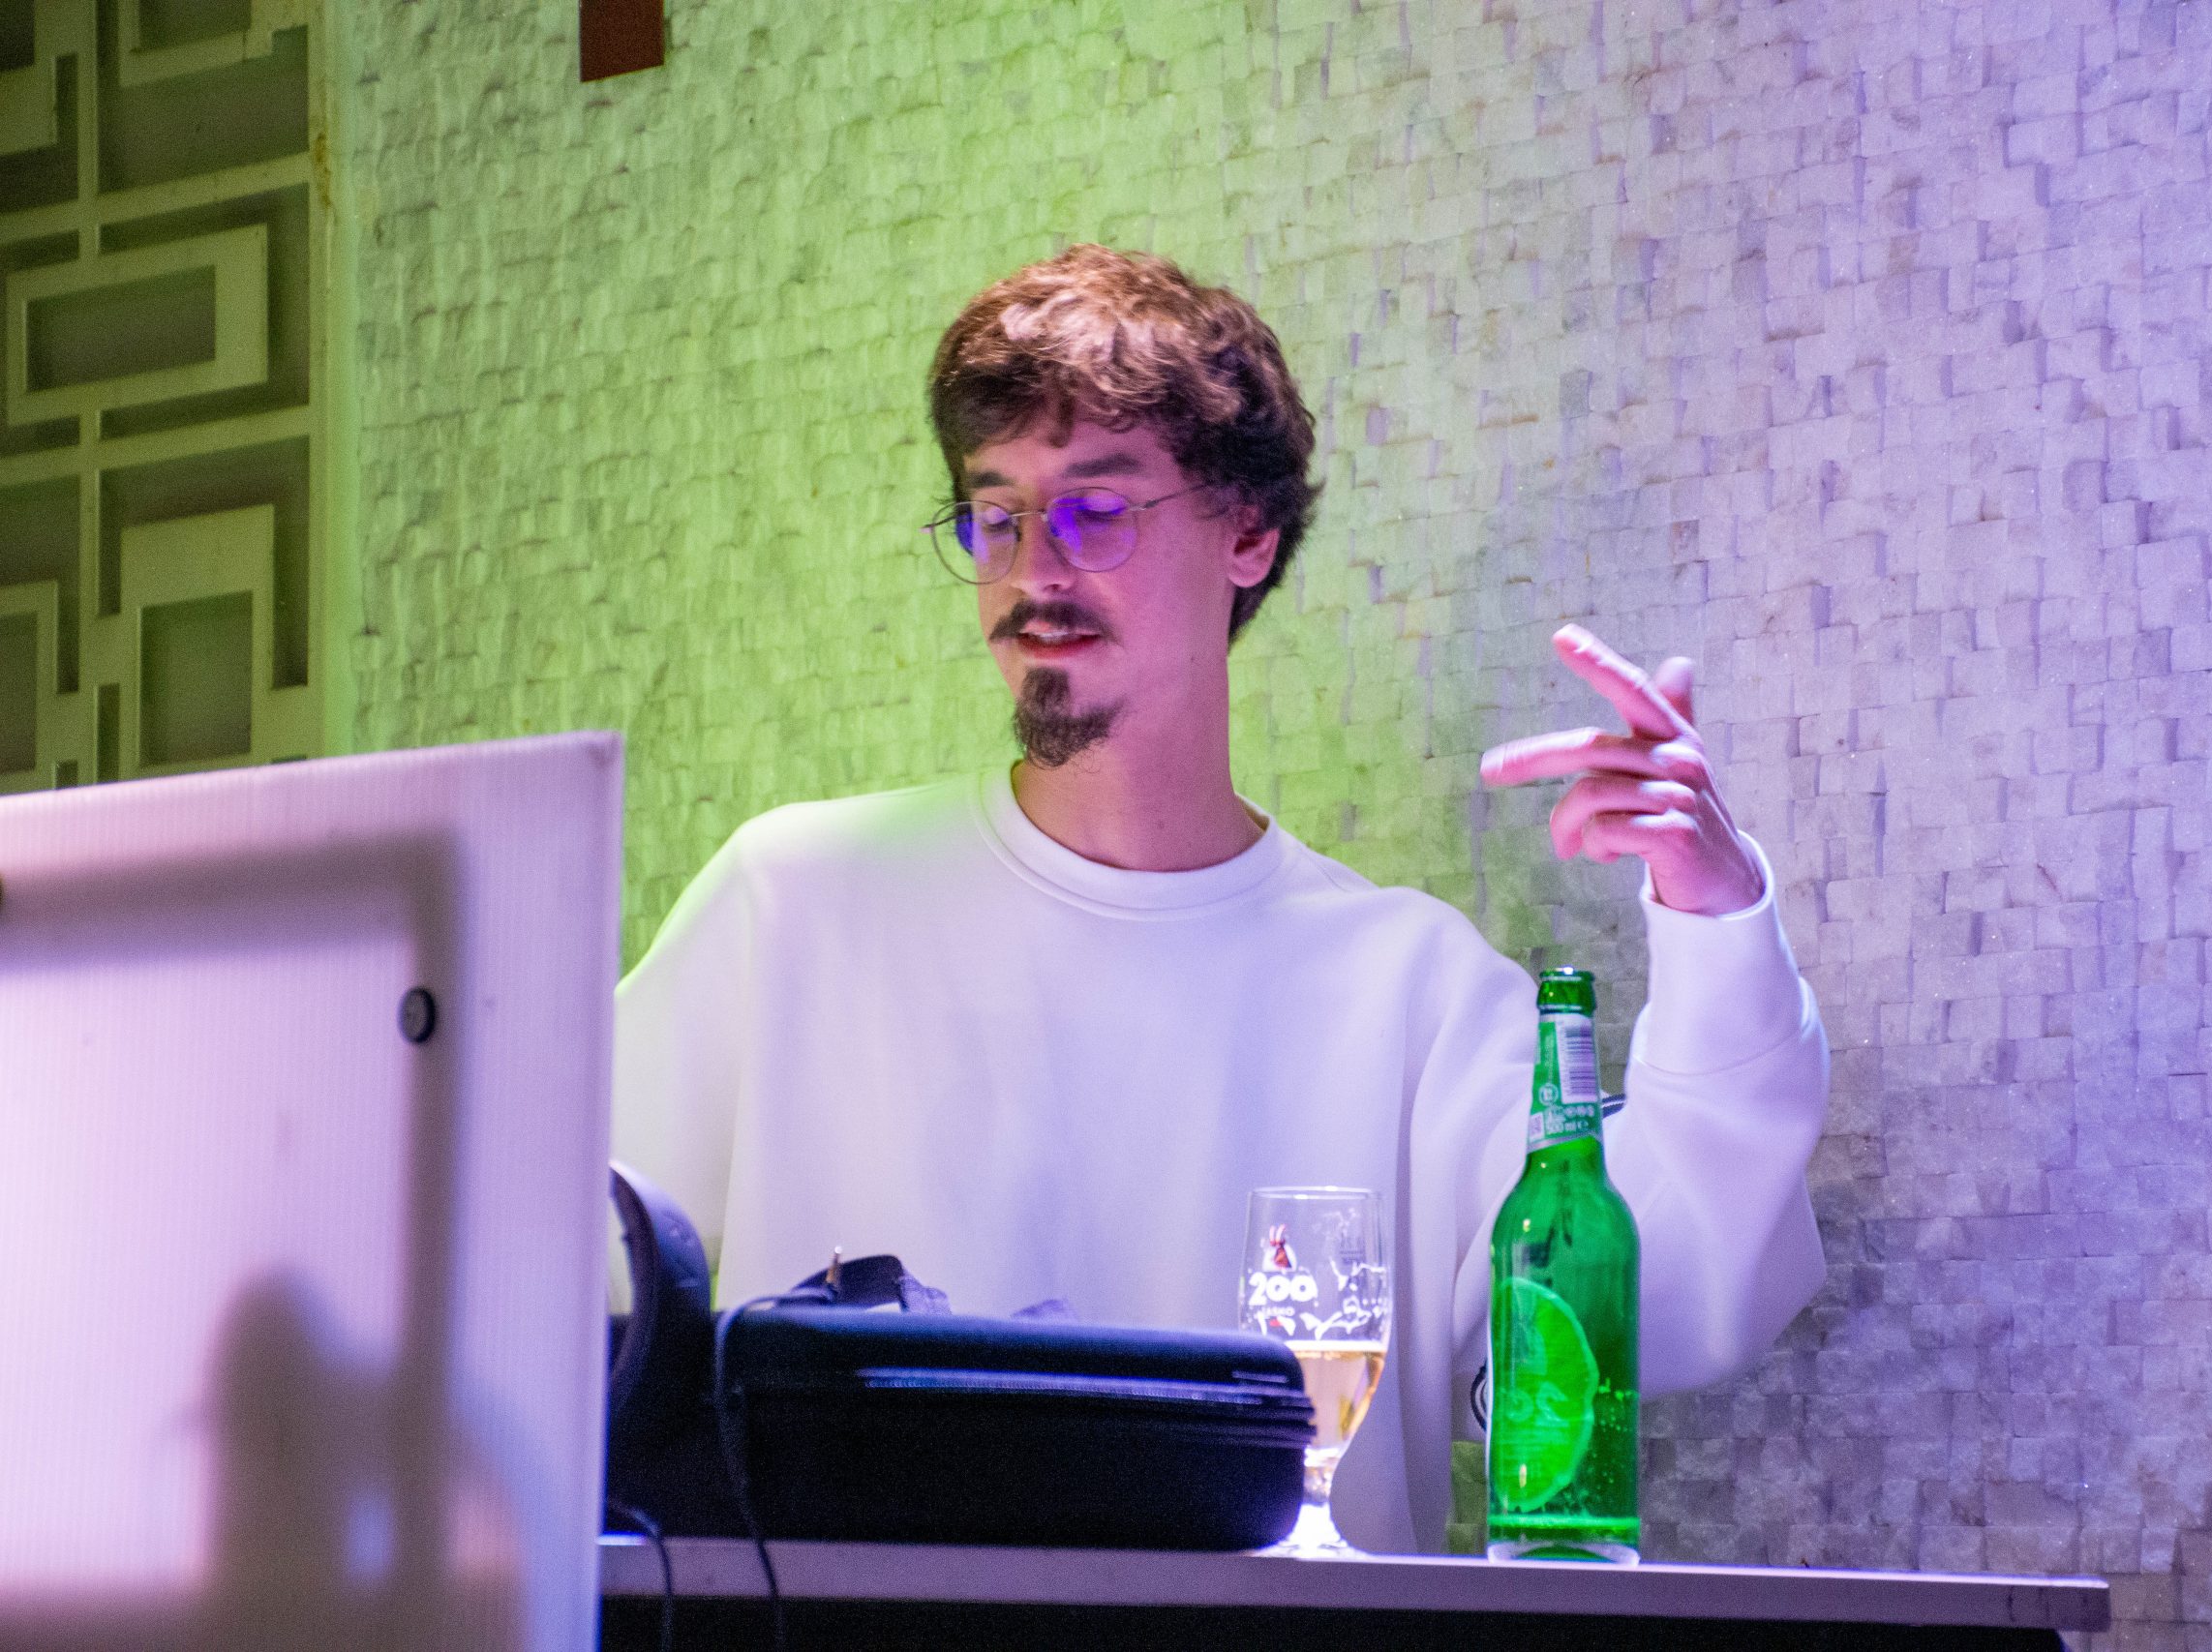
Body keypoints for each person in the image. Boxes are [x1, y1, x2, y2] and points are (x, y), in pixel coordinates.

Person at [613, 244, 1827, 1554]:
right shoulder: (795, 905)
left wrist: (1712, 912)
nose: (1033, 574)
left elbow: (1664, 1300)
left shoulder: (1406, 993)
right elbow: (533, 1291)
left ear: (1247, 533)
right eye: (996, 515)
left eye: (1096, 510)